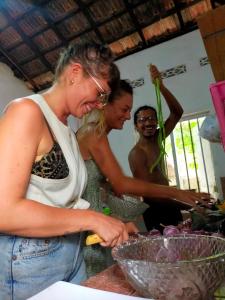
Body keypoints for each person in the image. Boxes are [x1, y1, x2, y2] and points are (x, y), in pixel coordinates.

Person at [0, 42, 130, 300]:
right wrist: (93, 219)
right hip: (31, 261)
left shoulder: (67, 130)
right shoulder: (27, 112)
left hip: (70, 252)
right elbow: (4, 211)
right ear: (75, 73)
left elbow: (61, 203)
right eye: (100, 93)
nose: (101, 104)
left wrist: (112, 223)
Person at [77, 79, 210, 278]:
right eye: (124, 109)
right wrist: (178, 193)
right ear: (106, 104)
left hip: (100, 225)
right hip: (89, 229)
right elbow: (120, 182)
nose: (127, 116)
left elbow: (105, 184)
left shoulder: (99, 134)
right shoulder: (93, 132)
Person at [128, 64, 186, 232]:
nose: (148, 123)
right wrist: (183, 200)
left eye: (152, 118)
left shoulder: (158, 138)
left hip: (170, 204)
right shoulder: (136, 154)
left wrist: (161, 86)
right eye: (142, 120)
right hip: (156, 210)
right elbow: (150, 193)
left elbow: (177, 113)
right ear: (136, 127)